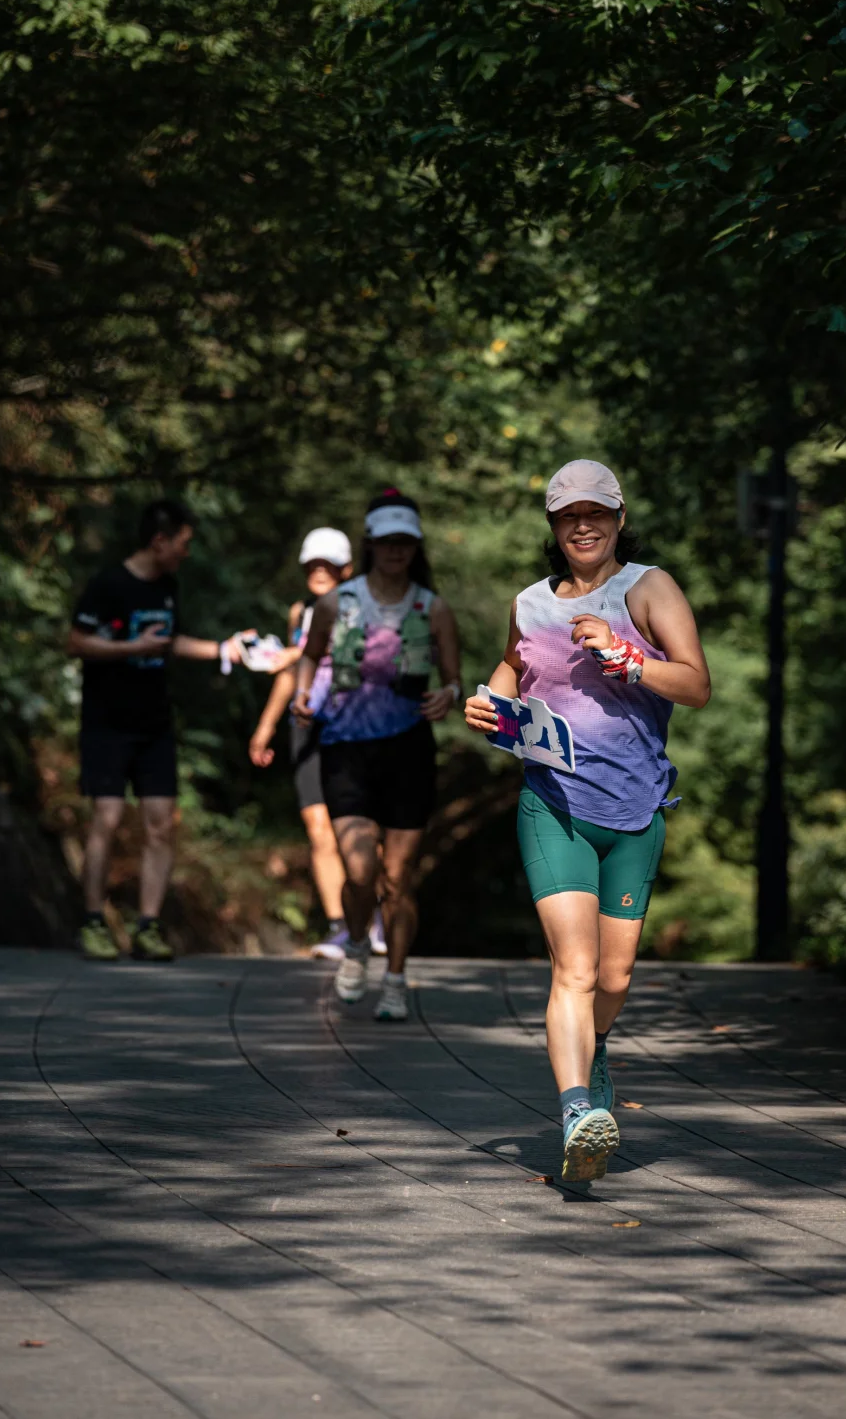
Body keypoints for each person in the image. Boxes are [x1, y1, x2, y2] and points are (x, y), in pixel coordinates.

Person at [464, 460, 710, 1181]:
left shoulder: (649, 587)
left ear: (618, 518)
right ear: (553, 524)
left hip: (635, 810)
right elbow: (510, 682)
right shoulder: (529, 603)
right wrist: (488, 708)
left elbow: (695, 684)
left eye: (596, 512)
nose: (583, 524)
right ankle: (577, 1110)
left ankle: (594, 1048)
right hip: (555, 806)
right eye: (569, 514)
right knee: (572, 968)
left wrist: (631, 655)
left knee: (616, 973)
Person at [292, 490, 462, 1020]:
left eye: (404, 543)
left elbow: (454, 678)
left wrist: (448, 696)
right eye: (386, 542)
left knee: (399, 874)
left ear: (415, 548)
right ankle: (358, 945)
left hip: (408, 750)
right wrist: (303, 695)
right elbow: (311, 654)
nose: (395, 551)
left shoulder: (432, 608)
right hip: (345, 749)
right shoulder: (335, 603)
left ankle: (395, 978)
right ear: (370, 545)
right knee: (361, 872)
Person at [68, 498, 250, 963]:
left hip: (155, 724)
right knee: (106, 819)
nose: (186, 553)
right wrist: (131, 647)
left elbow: (169, 642)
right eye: (183, 544)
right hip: (107, 723)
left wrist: (223, 650)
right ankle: (92, 921)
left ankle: (148, 926)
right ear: (159, 541)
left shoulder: (168, 585)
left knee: (160, 825)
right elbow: (75, 641)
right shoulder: (109, 584)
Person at [248, 527, 380, 962]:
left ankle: (371, 918)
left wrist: (298, 654)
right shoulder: (299, 611)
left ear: (345, 569)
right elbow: (291, 673)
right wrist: (266, 727)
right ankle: (340, 926)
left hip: (353, 725)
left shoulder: (364, 606)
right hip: (305, 726)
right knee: (320, 830)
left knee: (360, 829)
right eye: (312, 565)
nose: (318, 572)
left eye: (327, 565)